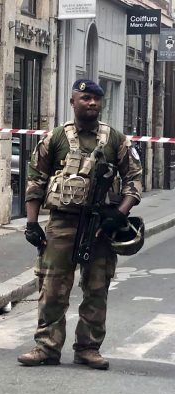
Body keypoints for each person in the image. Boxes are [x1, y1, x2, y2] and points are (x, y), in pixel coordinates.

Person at [18, 79, 142, 370]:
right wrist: (32, 223)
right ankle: (47, 346)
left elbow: (134, 179)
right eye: (85, 98)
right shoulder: (56, 137)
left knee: (97, 288)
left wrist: (120, 214)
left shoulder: (115, 140)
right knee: (52, 287)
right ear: (73, 101)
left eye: (97, 99)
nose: (92, 103)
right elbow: (35, 180)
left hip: (100, 226)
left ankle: (88, 348)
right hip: (61, 224)